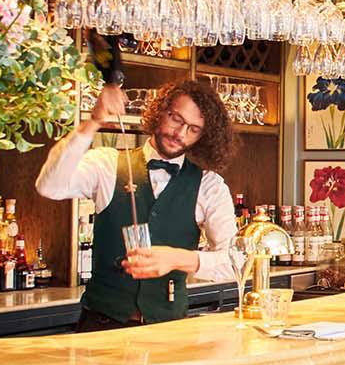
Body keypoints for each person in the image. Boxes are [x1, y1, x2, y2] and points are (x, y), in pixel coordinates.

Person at [37, 78, 241, 331]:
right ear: (160, 110)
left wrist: (178, 258)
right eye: (176, 119)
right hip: (100, 327)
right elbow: (49, 186)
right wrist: (93, 123)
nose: (180, 134)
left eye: (193, 129)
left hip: (170, 330)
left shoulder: (209, 185)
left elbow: (236, 262)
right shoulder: (107, 165)